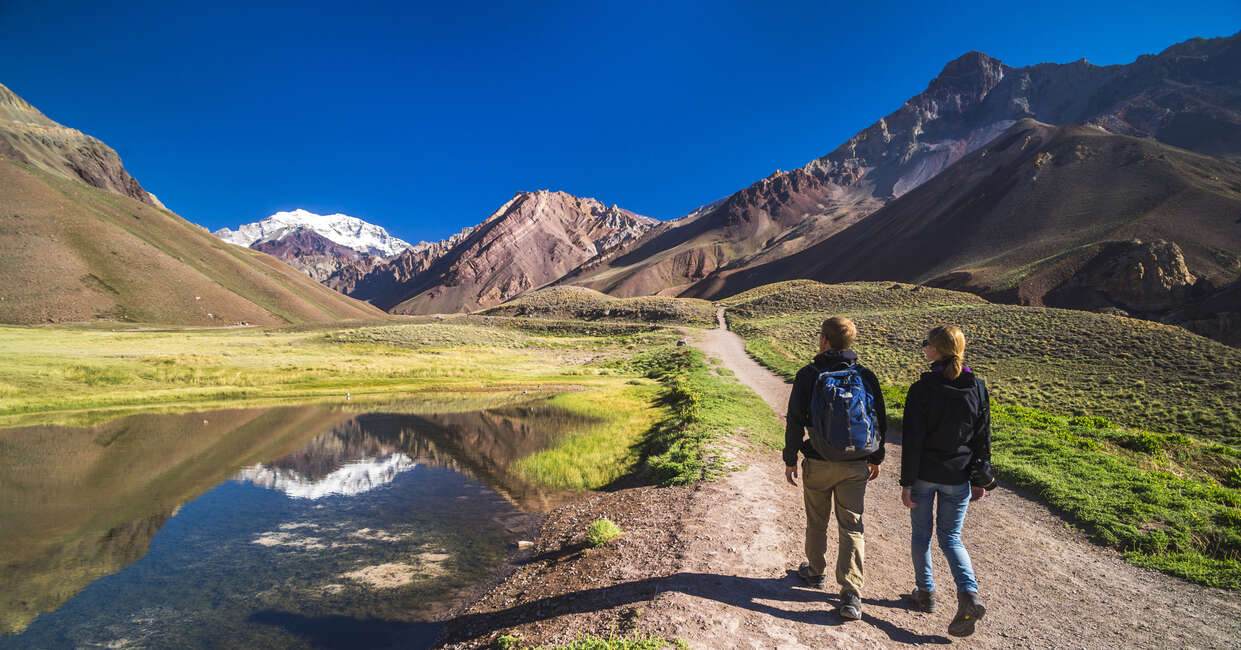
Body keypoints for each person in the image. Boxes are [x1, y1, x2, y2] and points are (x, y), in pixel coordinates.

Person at [784, 316, 887, 620]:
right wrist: (876, 457)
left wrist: (790, 458)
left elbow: (794, 421)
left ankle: (815, 571)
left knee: (817, 520)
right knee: (852, 525)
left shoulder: (809, 374)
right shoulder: (865, 375)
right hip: (856, 464)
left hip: (818, 461)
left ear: (825, 340)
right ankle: (852, 594)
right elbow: (879, 418)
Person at [899, 325, 991, 637]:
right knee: (951, 538)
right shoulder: (977, 387)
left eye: (927, 344)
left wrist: (906, 482)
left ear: (936, 351)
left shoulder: (921, 389)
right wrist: (979, 477)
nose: (924, 347)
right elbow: (982, 437)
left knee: (921, 535)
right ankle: (969, 594)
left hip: (925, 474)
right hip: (959, 477)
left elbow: (912, 440)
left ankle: (925, 594)